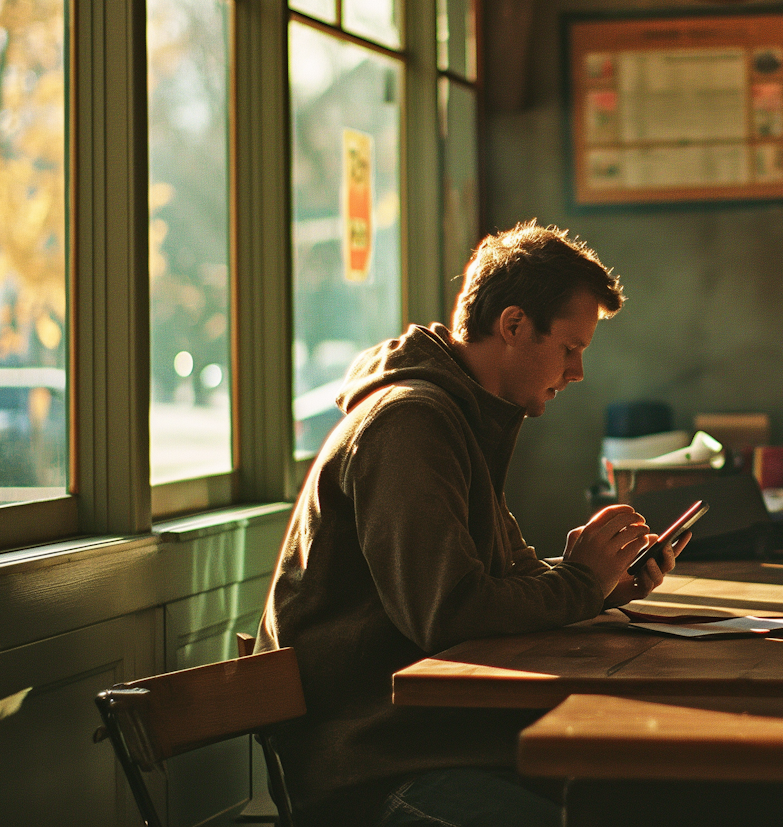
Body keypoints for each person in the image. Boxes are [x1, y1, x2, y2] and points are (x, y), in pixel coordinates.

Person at [258, 221, 688, 827]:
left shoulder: (461, 418)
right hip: (376, 774)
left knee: (657, 789)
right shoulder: (410, 424)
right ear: (513, 326)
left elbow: (494, 583)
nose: (578, 372)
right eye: (570, 348)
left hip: (441, 744)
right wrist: (579, 586)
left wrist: (598, 584)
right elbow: (449, 612)